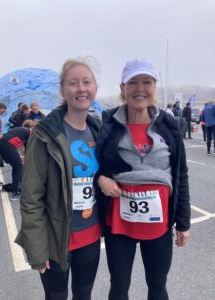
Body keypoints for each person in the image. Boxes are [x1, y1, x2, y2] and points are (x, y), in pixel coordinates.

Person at [94, 58, 190, 300]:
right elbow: (93, 166)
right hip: (119, 226)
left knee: (158, 287)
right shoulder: (108, 125)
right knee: (119, 288)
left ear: (154, 87)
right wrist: (101, 179)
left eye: (146, 82)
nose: (140, 89)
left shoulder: (171, 126)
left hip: (159, 227)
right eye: (133, 82)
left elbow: (180, 174)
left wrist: (184, 222)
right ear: (122, 89)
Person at [15, 57, 101, 300]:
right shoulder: (45, 135)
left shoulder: (98, 130)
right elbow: (31, 197)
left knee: (84, 296)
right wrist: (37, 248)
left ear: (95, 88)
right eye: (73, 83)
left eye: (87, 82)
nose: (81, 88)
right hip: (56, 240)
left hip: (91, 237)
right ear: (63, 90)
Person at [0, 120, 36, 200]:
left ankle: (14, 187)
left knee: (17, 167)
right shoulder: (30, 133)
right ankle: (16, 193)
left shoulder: (24, 131)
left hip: (2, 145)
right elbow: (29, 149)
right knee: (19, 167)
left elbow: (25, 149)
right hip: (6, 145)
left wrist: (24, 157)